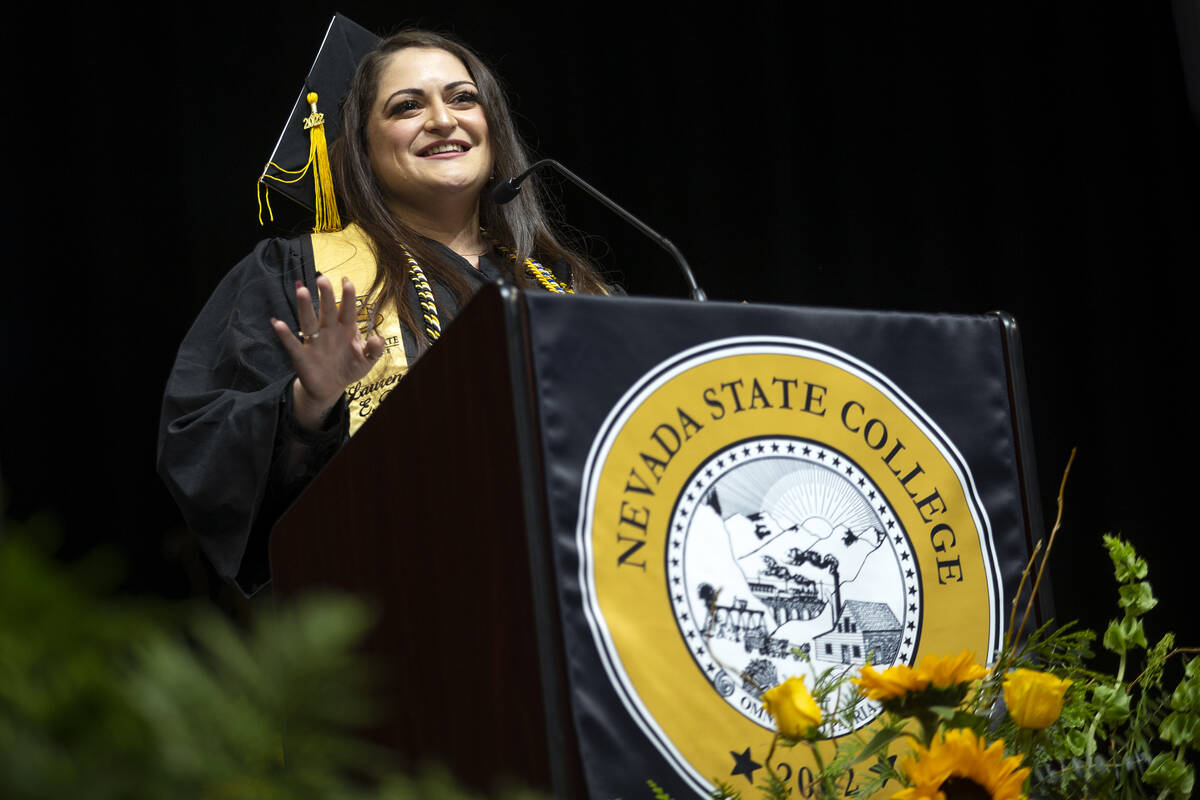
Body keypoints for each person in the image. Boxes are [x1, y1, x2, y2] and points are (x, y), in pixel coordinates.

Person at [158, 27, 613, 597]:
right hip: (407, 605)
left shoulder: (563, 282)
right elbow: (199, 447)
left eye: (463, 98)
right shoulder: (303, 274)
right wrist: (307, 403)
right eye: (407, 107)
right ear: (362, 147)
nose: (444, 120)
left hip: (581, 593)